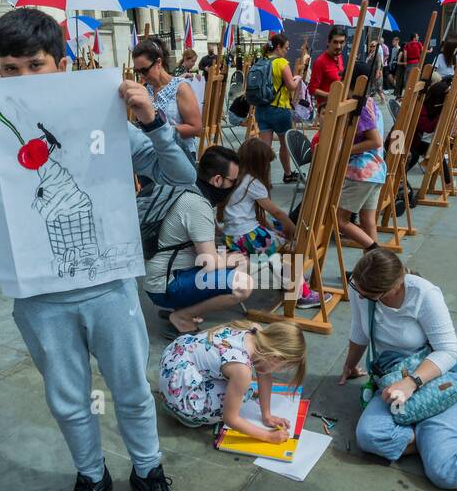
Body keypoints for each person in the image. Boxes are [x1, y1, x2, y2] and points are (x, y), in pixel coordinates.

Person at [0, 6, 195, 491]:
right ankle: (91, 477)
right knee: (68, 400)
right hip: (41, 296)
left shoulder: (99, 114)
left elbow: (182, 175)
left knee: (133, 391)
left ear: (62, 62)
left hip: (110, 285)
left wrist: (154, 121)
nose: (24, 78)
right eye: (11, 68)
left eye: (36, 65)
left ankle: (148, 471)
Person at [341, 249, 457, 488]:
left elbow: (450, 351)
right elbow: (359, 330)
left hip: (437, 379)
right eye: (358, 288)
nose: (360, 295)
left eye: (369, 295)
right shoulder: (361, 289)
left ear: (393, 287)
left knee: (446, 471)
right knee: (369, 437)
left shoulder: (423, 294)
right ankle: (435, 442)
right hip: (393, 377)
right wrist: (350, 364)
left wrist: (411, 383)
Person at [144, 145, 254, 336]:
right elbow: (208, 263)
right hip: (165, 284)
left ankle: (183, 310)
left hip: (164, 274)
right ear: (217, 180)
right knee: (242, 285)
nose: (234, 186)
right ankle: (182, 317)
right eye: (233, 181)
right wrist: (232, 259)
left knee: (236, 262)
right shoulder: (198, 205)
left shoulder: (190, 188)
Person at [159, 320, 306, 437]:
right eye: (282, 367)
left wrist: (267, 416)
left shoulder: (254, 330)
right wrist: (268, 436)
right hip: (177, 392)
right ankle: (185, 413)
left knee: (239, 386)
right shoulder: (242, 370)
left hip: (173, 358)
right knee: (244, 393)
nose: (279, 371)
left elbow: (265, 375)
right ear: (276, 357)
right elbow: (231, 418)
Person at [222, 139, 321, 308]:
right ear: (261, 163)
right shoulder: (253, 182)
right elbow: (276, 211)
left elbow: (255, 216)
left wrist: (272, 229)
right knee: (288, 248)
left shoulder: (238, 178)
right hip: (249, 236)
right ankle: (301, 294)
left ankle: (289, 282)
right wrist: (293, 228)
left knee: (275, 241)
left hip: (233, 237)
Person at [336, 61, 386, 252]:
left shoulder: (362, 105)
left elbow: (375, 141)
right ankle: (375, 269)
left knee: (340, 220)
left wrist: (344, 150)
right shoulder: (370, 102)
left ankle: (376, 252)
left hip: (361, 173)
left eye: (343, 77)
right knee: (368, 222)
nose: (340, 80)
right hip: (375, 171)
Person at [133, 38, 201, 160]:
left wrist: (162, 131)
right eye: (137, 72)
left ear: (158, 62)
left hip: (179, 156)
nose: (141, 76)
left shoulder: (180, 87)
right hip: (151, 157)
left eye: (144, 70)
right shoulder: (144, 90)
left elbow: (196, 127)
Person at [253, 32, 302, 181]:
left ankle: (261, 178)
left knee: (265, 148)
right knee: (284, 144)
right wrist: (298, 78)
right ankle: (287, 174)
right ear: (278, 47)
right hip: (279, 109)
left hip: (261, 109)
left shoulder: (260, 61)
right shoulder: (281, 63)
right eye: (286, 48)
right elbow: (291, 86)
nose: (287, 51)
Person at [308, 26, 346, 115]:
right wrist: (330, 96)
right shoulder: (320, 62)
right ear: (328, 42)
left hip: (339, 107)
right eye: (335, 42)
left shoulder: (339, 57)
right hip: (326, 110)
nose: (338, 46)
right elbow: (312, 89)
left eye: (341, 42)